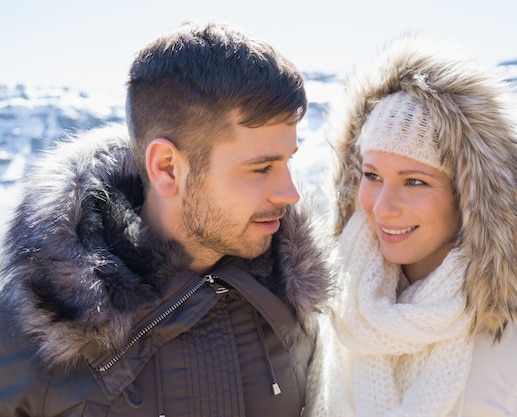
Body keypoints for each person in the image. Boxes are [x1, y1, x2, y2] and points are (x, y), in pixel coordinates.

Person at [0, 20, 330, 416]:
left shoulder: (297, 310)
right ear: (167, 168)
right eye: (261, 169)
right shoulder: (27, 330)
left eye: (287, 162)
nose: (290, 193)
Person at [304, 35, 517, 417]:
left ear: (471, 198)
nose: (382, 206)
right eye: (372, 176)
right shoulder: (327, 318)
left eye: (414, 181)